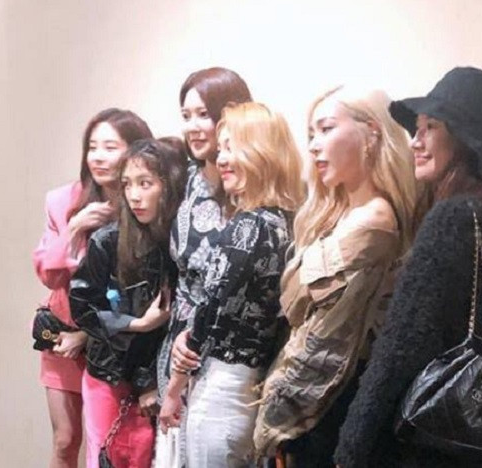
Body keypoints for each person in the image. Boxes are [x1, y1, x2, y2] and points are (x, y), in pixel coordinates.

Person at [334, 67, 482, 468]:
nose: (415, 141)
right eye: (417, 128)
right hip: (465, 445)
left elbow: (401, 347)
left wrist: (350, 448)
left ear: (463, 138)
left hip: (417, 448)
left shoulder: (454, 217)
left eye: (431, 127)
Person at [253, 86, 417, 467]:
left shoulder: (374, 221)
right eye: (312, 134)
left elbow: (324, 337)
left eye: (326, 129)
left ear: (371, 132)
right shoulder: (340, 215)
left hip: (328, 407)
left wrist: (278, 420)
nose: (313, 146)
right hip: (313, 406)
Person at [159, 101, 304, 467]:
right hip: (252, 386)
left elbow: (208, 313)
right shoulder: (288, 223)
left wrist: (174, 389)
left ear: (260, 152)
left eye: (231, 148)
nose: (221, 159)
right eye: (221, 148)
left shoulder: (248, 226)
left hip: (219, 390)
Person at [33, 108, 153, 467]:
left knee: (111, 445)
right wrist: (75, 228)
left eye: (110, 147)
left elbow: (141, 291)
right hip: (63, 336)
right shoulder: (63, 201)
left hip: (117, 343)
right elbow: (49, 274)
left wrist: (88, 335)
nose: (98, 156)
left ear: (134, 150)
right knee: (65, 439)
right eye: (92, 147)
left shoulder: (144, 203)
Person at [153, 67, 253, 465]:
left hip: (221, 356)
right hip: (175, 347)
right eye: (186, 115)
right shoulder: (188, 178)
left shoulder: (249, 192)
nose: (193, 126)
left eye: (203, 115)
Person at [70, 138, 188, 467]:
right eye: (127, 184)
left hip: (157, 383)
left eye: (145, 184)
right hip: (109, 378)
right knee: (107, 456)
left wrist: (150, 382)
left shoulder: (178, 244)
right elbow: (82, 307)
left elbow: (172, 323)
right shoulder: (107, 240)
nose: (134, 195)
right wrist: (137, 324)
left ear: (168, 186)